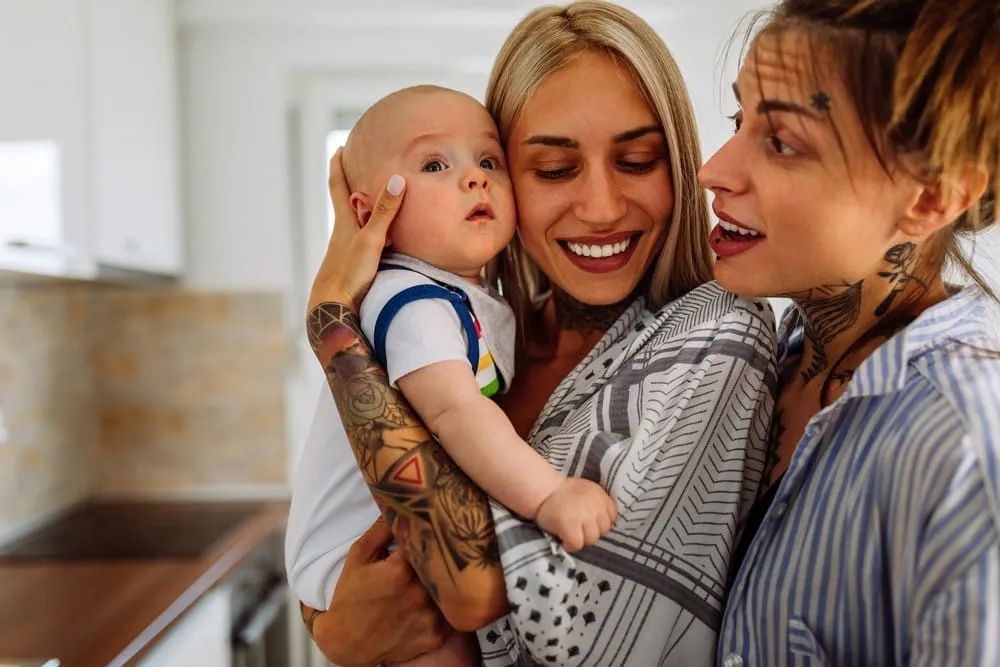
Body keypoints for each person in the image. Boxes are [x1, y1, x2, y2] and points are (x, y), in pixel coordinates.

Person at [287, 3, 778, 666]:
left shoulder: (715, 335)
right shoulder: (486, 329)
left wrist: (329, 320)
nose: (601, 208)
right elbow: (356, 556)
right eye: (552, 170)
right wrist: (330, 622)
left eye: (637, 160)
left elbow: (471, 595)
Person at [702, 1, 1000, 665]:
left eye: (781, 142)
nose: (714, 170)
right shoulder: (757, 360)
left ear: (930, 197)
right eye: (738, 120)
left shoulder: (967, 455)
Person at [291, 83, 614, 667]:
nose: (475, 178)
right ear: (370, 215)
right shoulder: (410, 299)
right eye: (435, 163)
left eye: (488, 160)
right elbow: (456, 412)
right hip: (356, 560)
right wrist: (550, 494)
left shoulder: (464, 298)